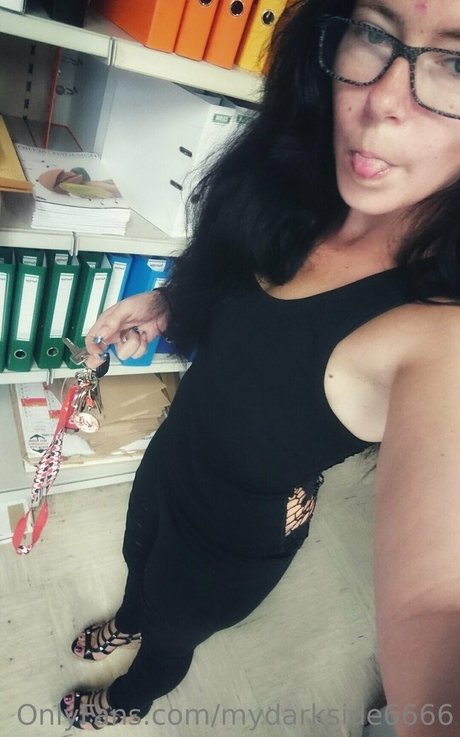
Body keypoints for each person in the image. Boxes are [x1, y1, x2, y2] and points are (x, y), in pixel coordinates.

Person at [60, 0, 460, 733]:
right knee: (138, 563)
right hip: (170, 460)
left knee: (171, 636)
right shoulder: (302, 184)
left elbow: (439, 607)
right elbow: (238, 302)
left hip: (231, 542)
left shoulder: (440, 332)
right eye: (374, 33)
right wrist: (169, 301)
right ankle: (128, 617)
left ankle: (126, 700)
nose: (381, 103)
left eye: (456, 63)